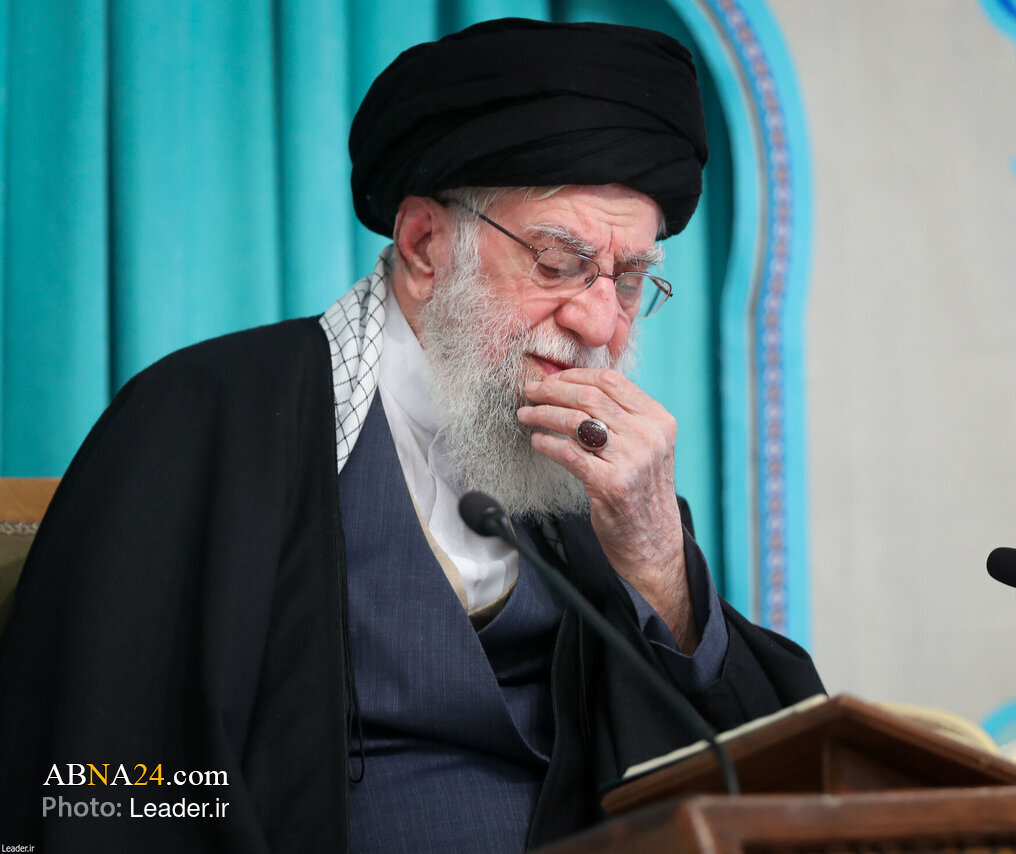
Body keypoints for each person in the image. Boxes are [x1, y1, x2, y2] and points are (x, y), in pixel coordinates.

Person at [0, 17, 823, 853]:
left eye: (631, 278)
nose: (600, 321)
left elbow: (765, 778)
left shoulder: (601, 478)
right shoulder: (205, 417)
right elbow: (102, 786)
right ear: (425, 245)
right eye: (557, 263)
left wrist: (656, 560)